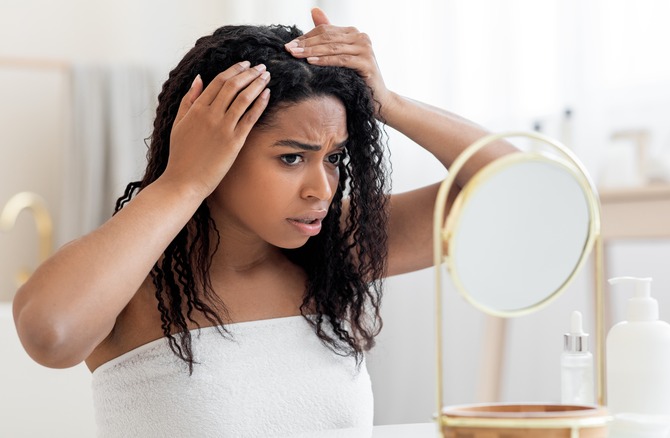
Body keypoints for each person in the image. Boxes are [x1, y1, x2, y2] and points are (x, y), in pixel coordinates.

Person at [12, 8, 511, 437]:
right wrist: (183, 180)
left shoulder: (336, 249)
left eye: (334, 158)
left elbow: (518, 192)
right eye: (292, 158)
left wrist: (389, 103)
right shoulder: (133, 280)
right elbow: (49, 334)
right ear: (215, 149)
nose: (322, 187)